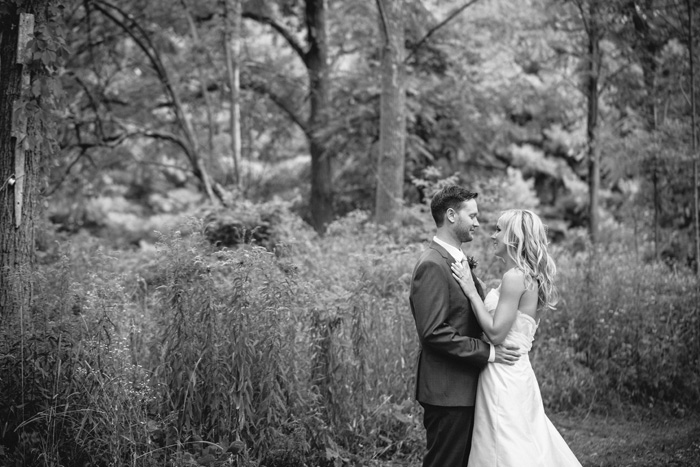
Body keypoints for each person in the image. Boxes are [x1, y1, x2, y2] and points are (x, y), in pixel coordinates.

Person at [451, 209, 582, 466]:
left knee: (505, 445)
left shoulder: (514, 277)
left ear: (515, 237)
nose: (493, 235)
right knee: (522, 441)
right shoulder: (526, 276)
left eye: (499, 230)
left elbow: (497, 333)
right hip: (517, 372)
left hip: (503, 374)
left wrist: (470, 290)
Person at [409, 186, 521, 467]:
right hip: (447, 391)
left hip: (466, 387)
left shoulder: (457, 260)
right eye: (472, 216)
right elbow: (434, 332)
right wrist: (489, 352)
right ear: (450, 215)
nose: (477, 223)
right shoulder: (432, 264)